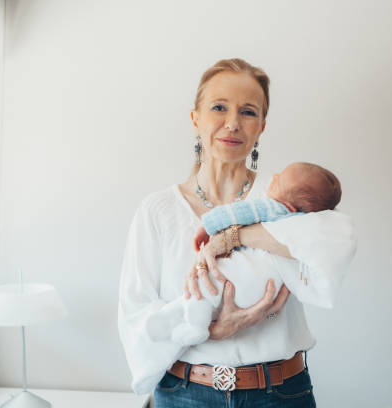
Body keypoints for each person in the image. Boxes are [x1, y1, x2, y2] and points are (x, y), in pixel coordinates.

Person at [118, 58, 356, 407]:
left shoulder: (286, 199)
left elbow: (334, 246)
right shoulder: (157, 211)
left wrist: (236, 237)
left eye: (248, 112)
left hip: (279, 394)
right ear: (195, 118)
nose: (232, 123)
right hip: (185, 395)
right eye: (219, 107)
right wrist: (213, 332)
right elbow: (135, 319)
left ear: (261, 127)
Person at [144, 162, 342, 347]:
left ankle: (185, 318)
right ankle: (193, 323)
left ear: (262, 125)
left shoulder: (272, 205)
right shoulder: (306, 224)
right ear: (195, 122)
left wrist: (210, 226)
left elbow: (237, 213)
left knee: (207, 286)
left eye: (279, 178)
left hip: (278, 368)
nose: (233, 125)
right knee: (209, 289)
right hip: (263, 291)